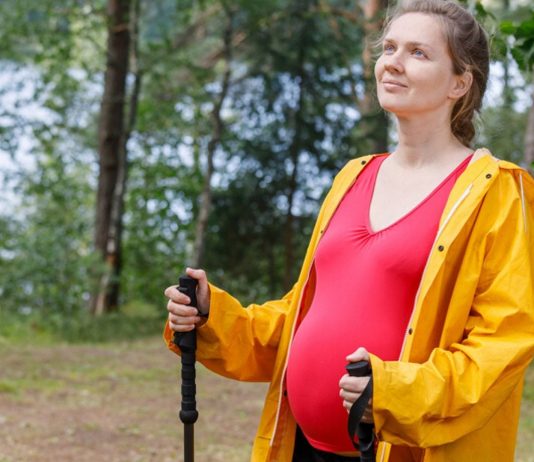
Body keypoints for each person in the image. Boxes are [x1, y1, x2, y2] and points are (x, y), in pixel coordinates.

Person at [163, 0, 534, 460]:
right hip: (300, 444)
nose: (393, 63)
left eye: (418, 53)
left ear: (460, 81)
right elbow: (302, 316)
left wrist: (394, 391)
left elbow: (503, 344)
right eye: (390, 47)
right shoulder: (354, 176)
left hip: (401, 450)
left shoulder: (494, 191)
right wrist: (211, 317)